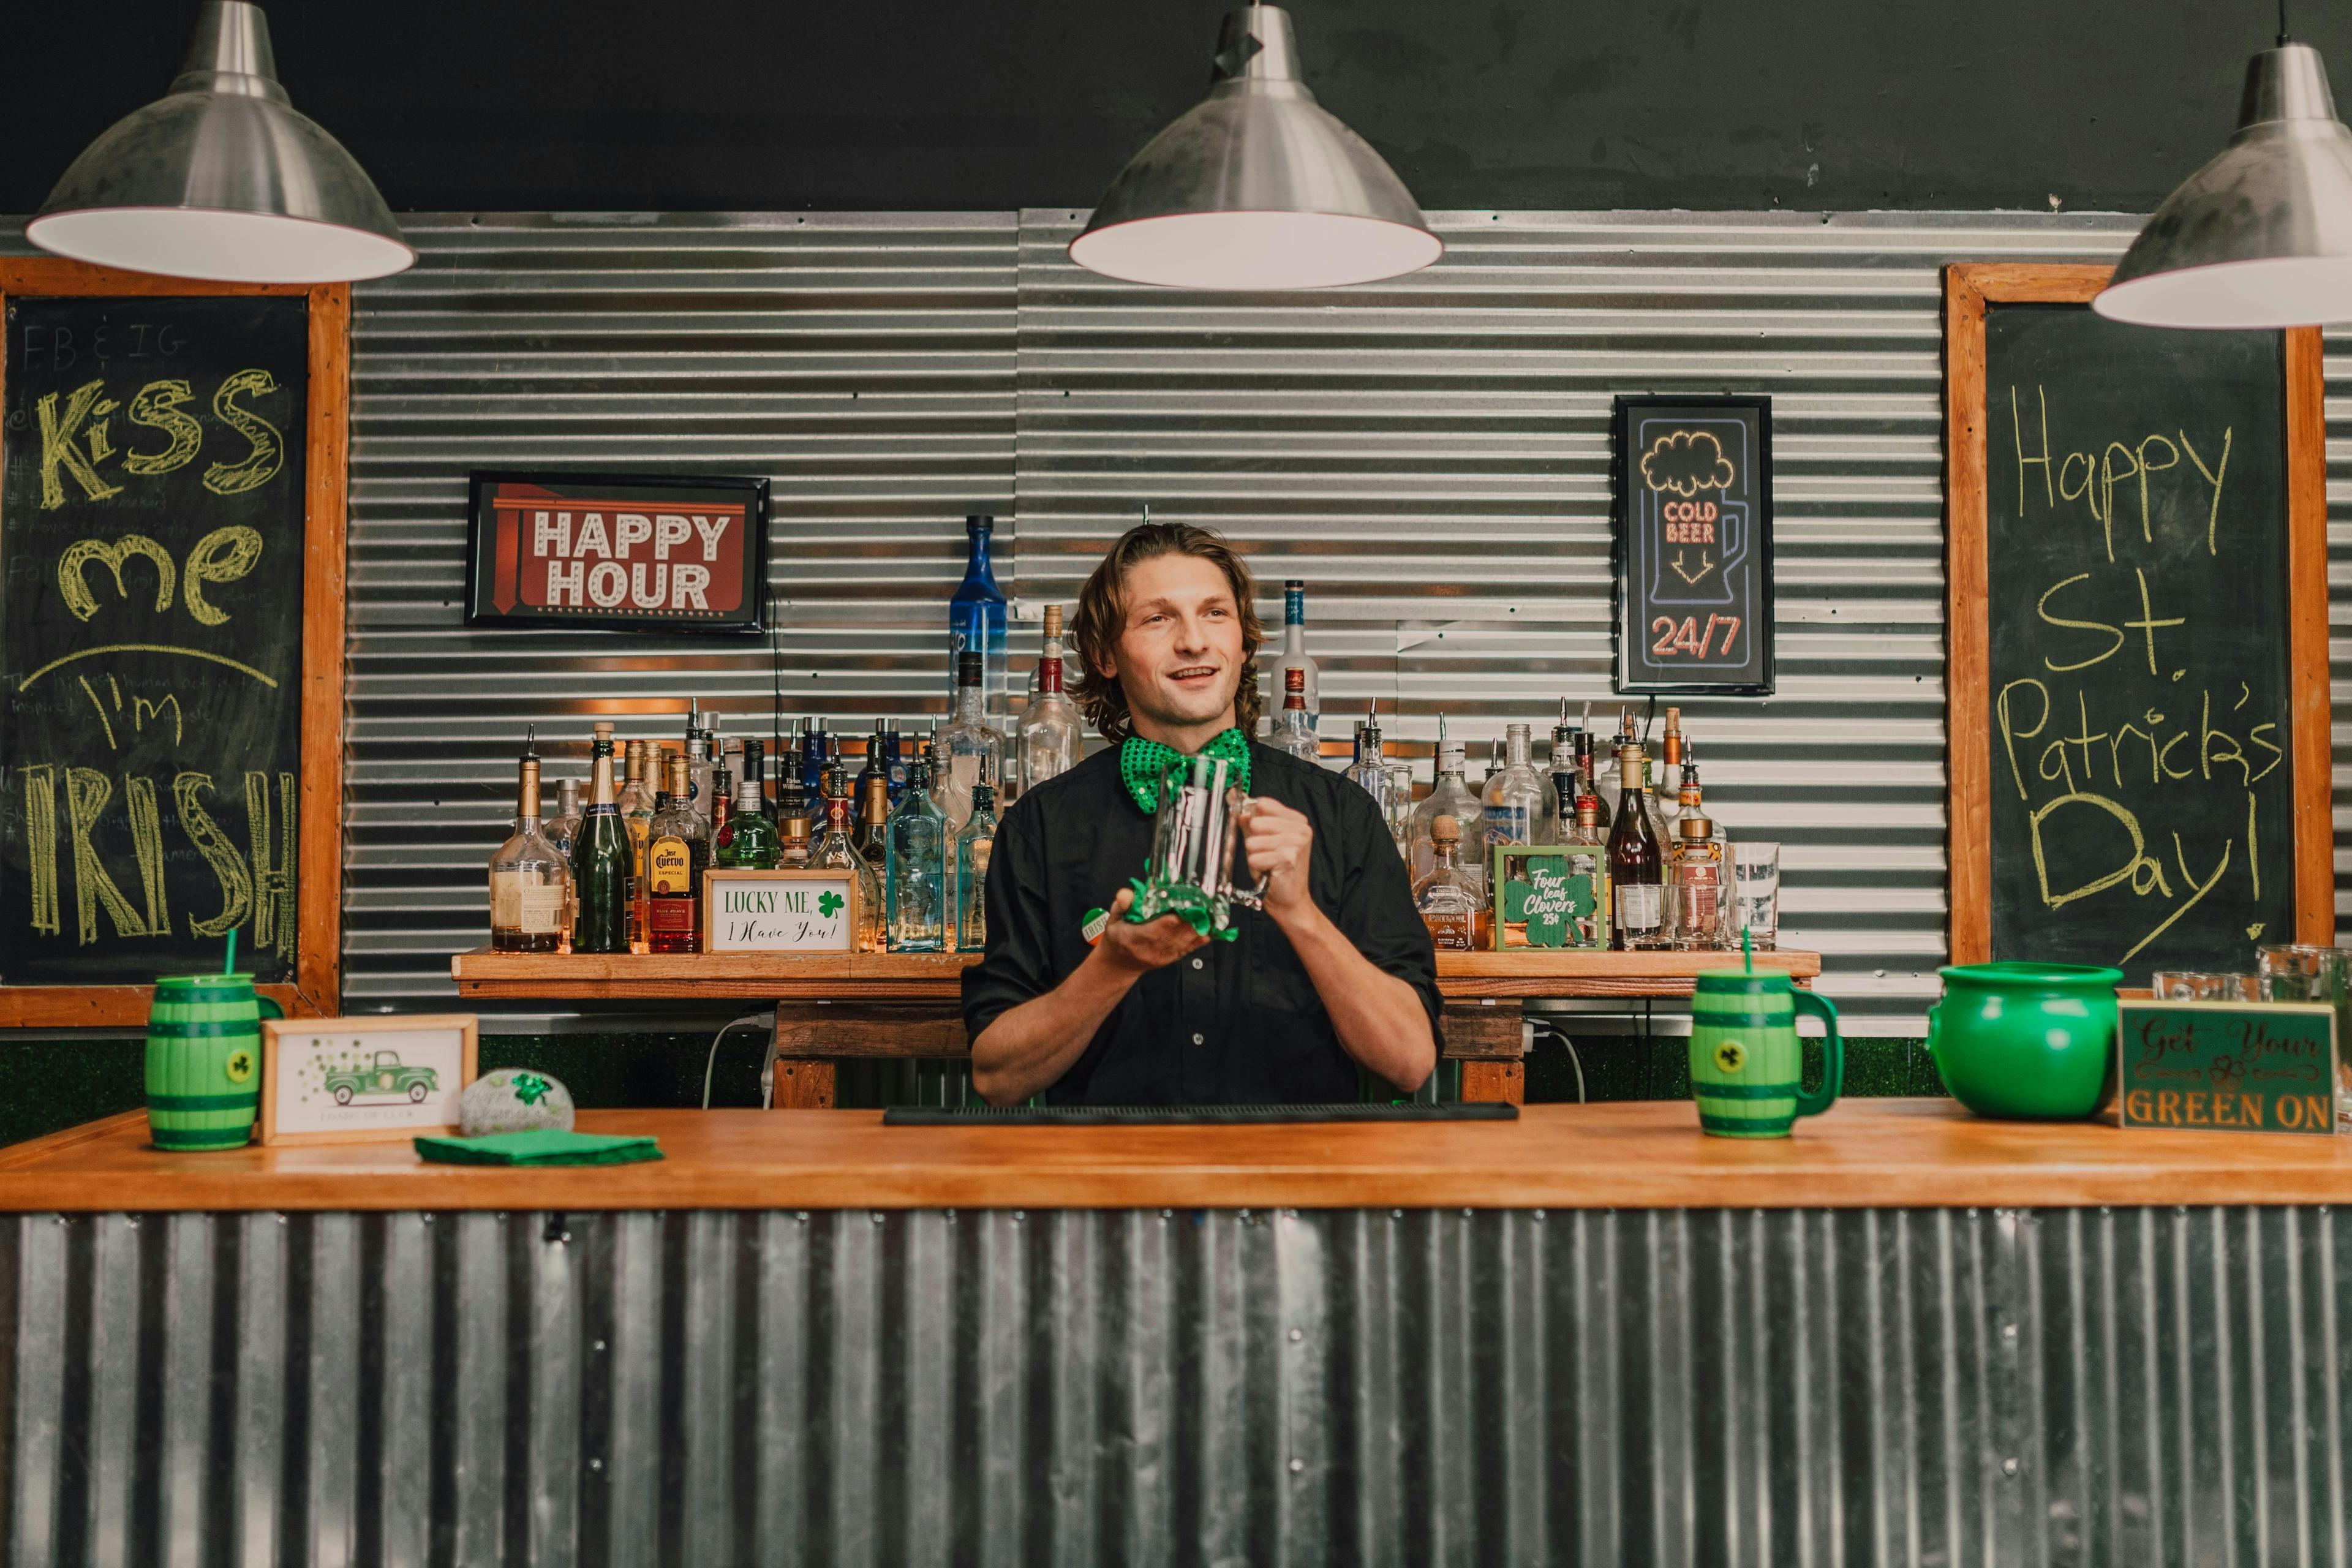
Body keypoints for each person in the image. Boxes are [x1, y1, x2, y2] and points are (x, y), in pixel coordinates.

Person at [963, 521, 1439, 1104]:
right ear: (1104, 656)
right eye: (1158, 618)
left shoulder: (1341, 815)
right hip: (1111, 1179)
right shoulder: (1041, 828)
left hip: (1298, 1180)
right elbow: (996, 1078)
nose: (1193, 641)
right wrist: (1111, 966)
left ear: (1244, 643)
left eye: (1215, 613)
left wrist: (1301, 915)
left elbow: (1411, 1061)